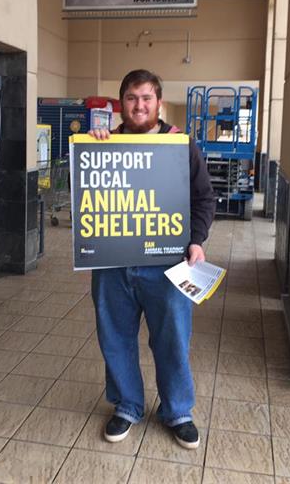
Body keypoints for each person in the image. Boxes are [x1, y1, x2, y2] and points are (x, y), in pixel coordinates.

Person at [87, 69, 216, 449]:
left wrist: (197, 240)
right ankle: (127, 405)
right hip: (113, 263)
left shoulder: (180, 145)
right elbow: (86, 190)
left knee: (172, 338)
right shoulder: (104, 143)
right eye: (131, 98)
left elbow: (204, 199)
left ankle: (178, 411)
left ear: (158, 102)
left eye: (146, 97)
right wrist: (91, 149)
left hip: (167, 263)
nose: (139, 105)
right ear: (121, 103)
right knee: (115, 337)